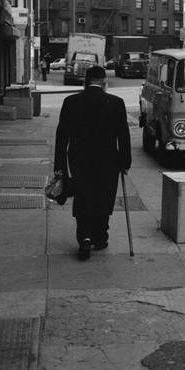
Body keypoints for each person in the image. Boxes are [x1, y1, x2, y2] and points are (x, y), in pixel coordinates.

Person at [53, 63, 131, 260]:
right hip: (108, 160)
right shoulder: (116, 103)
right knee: (103, 196)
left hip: (79, 159)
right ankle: (100, 236)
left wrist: (60, 166)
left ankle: (85, 237)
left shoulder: (71, 102)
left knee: (83, 195)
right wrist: (125, 161)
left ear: (85, 82)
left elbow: (61, 137)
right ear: (104, 82)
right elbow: (124, 136)